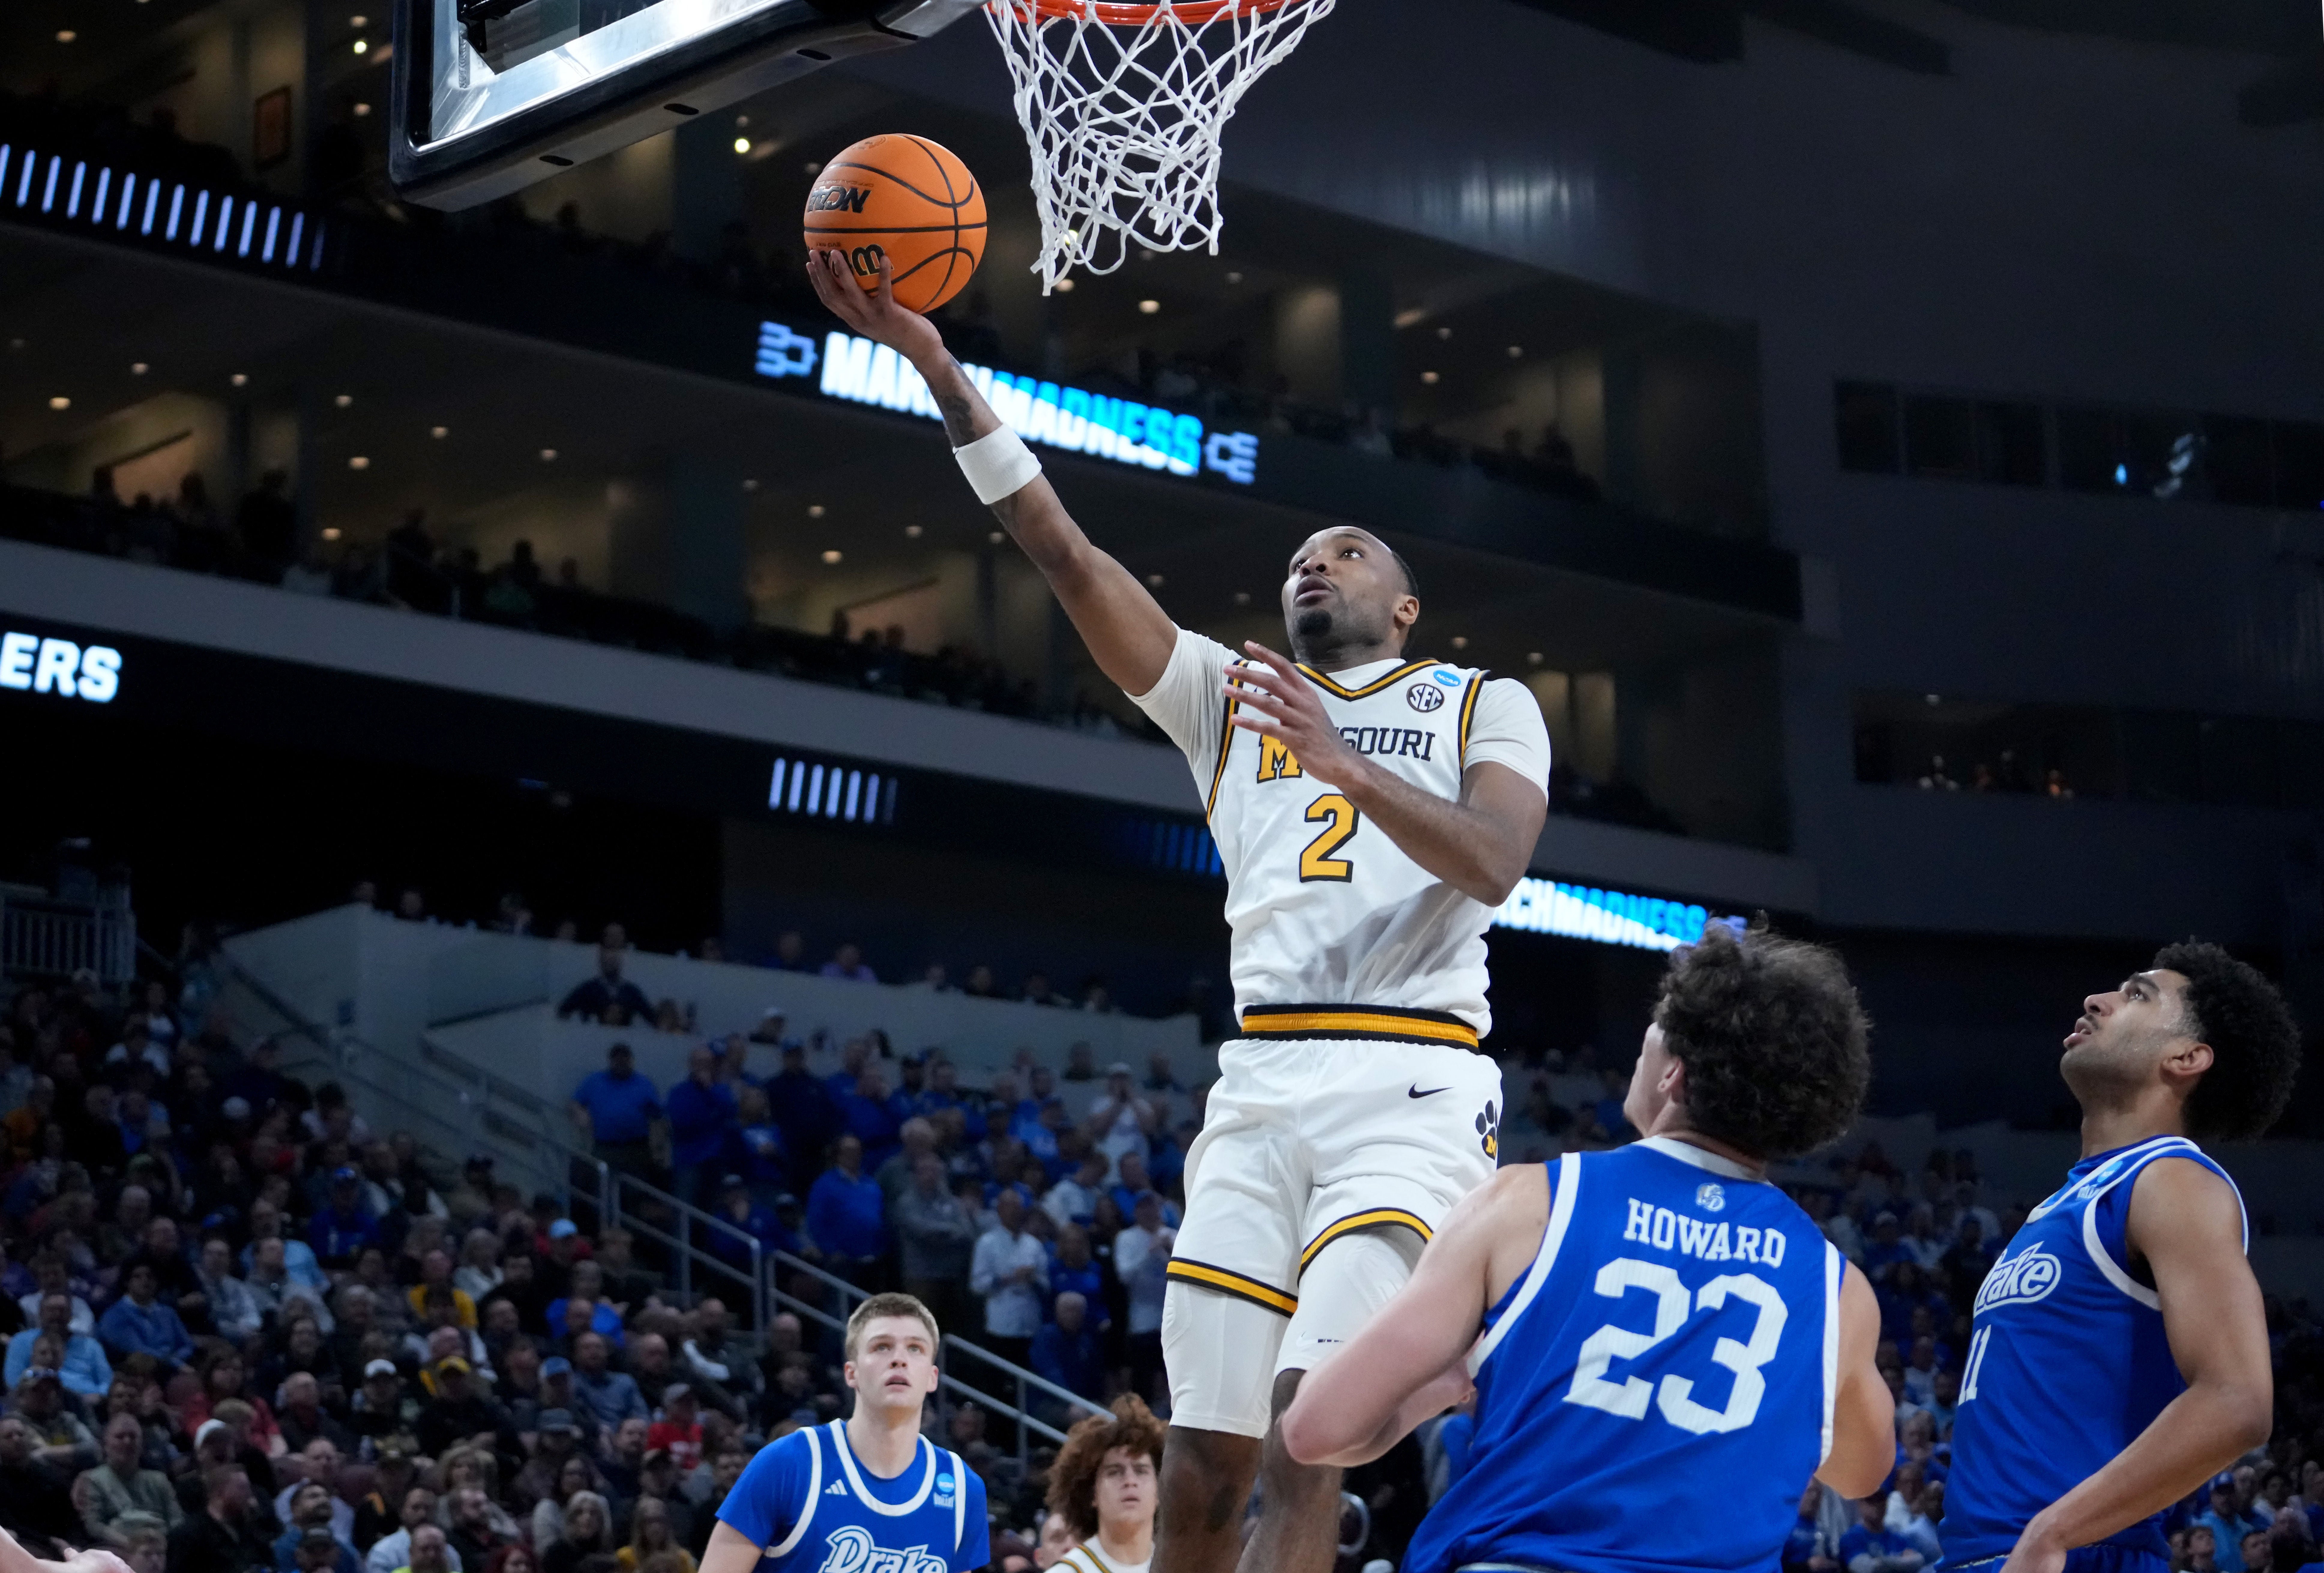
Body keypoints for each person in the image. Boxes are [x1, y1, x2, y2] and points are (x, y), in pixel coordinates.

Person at [807, 244, 1552, 1573]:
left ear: (1405, 603)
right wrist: (936, 368)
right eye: (1299, 559)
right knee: (1201, 1464)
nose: (1312, 565)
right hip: (1260, 1084)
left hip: (1412, 1085)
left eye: (1346, 551)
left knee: (1304, 1430)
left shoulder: (1479, 699)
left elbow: (1495, 862)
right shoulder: (1227, 699)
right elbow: (1060, 546)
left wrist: (1341, 761)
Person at [1279, 924, 1894, 1573]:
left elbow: (1314, 1428)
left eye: (1654, 1032)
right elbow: (1861, 1472)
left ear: (1674, 1077)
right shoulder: (1836, 1289)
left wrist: (1440, 1387)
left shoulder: (1524, 1204)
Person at [1938, 944, 2300, 1573]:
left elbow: (2238, 1399)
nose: (2095, 999)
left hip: (2077, 1553)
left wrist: (2052, 1531)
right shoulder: (2063, 1200)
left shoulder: (2171, 1179)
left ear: (2185, 1057)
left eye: (2136, 995)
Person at [701, 1294, 989, 1573]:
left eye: (915, 1349)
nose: (899, 1359)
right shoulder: (787, 1464)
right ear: (851, 1373)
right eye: (882, 1347)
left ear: (932, 1377)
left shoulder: (963, 1488)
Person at [1046, 1397, 1166, 1573]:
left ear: (1159, 1492)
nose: (1130, 1481)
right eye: (1115, 1472)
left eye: (1141, 1471)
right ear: (1092, 1494)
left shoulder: (1180, 1566)